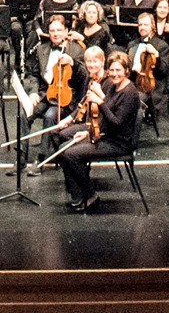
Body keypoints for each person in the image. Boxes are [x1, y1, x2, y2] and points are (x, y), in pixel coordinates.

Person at [53, 50, 141, 213]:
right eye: (112, 70)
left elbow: (116, 123)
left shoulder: (129, 93)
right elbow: (104, 120)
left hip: (119, 143)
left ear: (127, 71)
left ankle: (89, 194)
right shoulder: (115, 87)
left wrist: (100, 102)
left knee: (70, 154)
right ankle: (78, 194)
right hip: (107, 136)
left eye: (118, 70)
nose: (114, 74)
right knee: (64, 147)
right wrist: (87, 133)